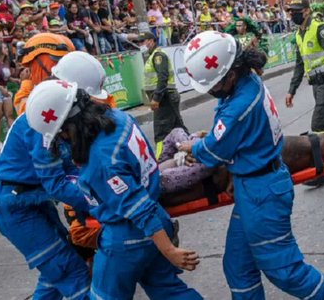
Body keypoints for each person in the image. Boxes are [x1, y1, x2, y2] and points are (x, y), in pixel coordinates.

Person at [177, 30, 324, 300]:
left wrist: (193, 146)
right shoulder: (246, 80)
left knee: (287, 273)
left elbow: (212, 151)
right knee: (238, 266)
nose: (210, 92)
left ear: (230, 75)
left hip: (262, 193)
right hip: (253, 186)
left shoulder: (239, 105)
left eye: (212, 86)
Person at [24, 80, 202, 300]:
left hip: (127, 236)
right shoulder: (118, 118)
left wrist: (170, 251)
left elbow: (139, 209)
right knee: (169, 291)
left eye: (62, 136)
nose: (64, 142)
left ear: (69, 126)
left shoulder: (101, 161)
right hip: (156, 221)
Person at [0, 98, 91, 299]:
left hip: (33, 201)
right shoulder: (41, 127)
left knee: (53, 276)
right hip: (18, 208)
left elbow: (70, 168)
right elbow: (57, 185)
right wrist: (98, 202)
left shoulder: (54, 123)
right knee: (70, 271)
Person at [285, 0, 324, 187]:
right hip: (316, 85)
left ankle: (319, 174)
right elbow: (299, 64)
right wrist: (291, 90)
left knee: (318, 125)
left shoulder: (320, 29)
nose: (291, 15)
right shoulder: (299, 34)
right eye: (290, 11)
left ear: (306, 12)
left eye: (295, 11)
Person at [142, 31, 185, 156]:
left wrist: (156, 98)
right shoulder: (152, 56)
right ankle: (189, 149)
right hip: (167, 96)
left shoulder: (158, 55)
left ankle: (160, 159)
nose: (143, 44)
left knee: (161, 131)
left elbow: (163, 77)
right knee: (177, 126)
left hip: (165, 98)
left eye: (144, 41)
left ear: (152, 41)